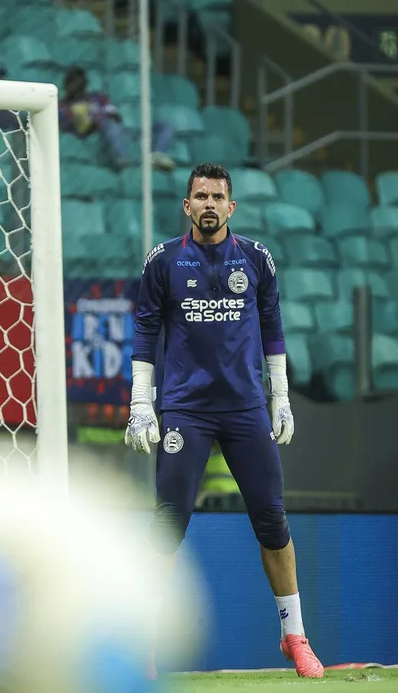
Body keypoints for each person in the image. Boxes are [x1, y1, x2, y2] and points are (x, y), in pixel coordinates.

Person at [125, 161, 324, 678]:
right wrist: (141, 404)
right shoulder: (163, 261)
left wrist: (280, 397)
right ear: (186, 205)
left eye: (218, 196)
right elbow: (145, 335)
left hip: (244, 408)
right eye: (201, 196)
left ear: (231, 207)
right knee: (167, 525)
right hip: (186, 411)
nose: (209, 204)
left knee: (273, 523)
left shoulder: (256, 258)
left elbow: (274, 328)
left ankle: (294, 637)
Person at [58, 65, 176, 171]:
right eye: (72, 82)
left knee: (165, 126)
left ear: (85, 83)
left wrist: (100, 116)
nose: (76, 85)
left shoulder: (97, 97)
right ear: (67, 85)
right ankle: (121, 159)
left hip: (121, 132)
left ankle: (157, 155)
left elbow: (115, 116)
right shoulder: (64, 106)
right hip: (100, 136)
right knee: (109, 125)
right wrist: (90, 122)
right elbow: (68, 126)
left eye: (79, 81)